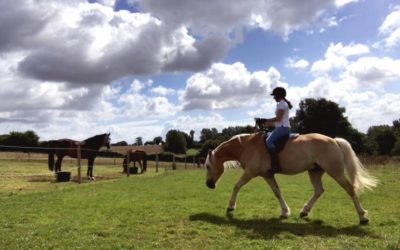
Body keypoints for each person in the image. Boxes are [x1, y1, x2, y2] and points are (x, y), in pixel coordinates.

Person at [262, 87, 293, 175]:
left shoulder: (281, 104)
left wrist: (265, 120)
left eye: (274, 95)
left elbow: (278, 118)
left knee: (269, 141)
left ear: (278, 95)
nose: (273, 97)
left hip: (283, 128)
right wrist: (266, 123)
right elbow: (278, 121)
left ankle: (276, 165)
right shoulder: (282, 103)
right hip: (282, 127)